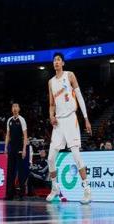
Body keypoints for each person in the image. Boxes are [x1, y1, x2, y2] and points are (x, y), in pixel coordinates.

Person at [46, 52, 92, 204]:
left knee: (76, 156)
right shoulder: (51, 82)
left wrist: (86, 118)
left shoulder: (70, 75)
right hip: (58, 122)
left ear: (63, 63)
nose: (56, 62)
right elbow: (51, 104)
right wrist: (51, 116)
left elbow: (79, 97)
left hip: (71, 119)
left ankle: (87, 190)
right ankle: (55, 188)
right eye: (54, 60)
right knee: (50, 158)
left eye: (59, 60)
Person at [5, 103, 28, 200]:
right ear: (11, 109)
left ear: (19, 109)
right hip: (12, 148)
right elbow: (7, 135)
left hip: (19, 148)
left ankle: (21, 194)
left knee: (21, 171)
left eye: (16, 107)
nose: (14, 108)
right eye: (13, 107)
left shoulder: (22, 120)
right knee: (10, 171)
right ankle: (10, 194)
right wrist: (6, 147)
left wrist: (24, 149)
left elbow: (25, 136)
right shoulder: (9, 120)